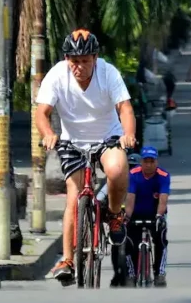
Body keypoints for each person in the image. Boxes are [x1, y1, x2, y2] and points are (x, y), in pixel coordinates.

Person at [36, 29, 138, 287]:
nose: (78, 66)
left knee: (117, 169)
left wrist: (128, 134)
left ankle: (114, 215)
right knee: (74, 195)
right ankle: (68, 260)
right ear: (66, 59)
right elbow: (42, 113)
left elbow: (125, 108)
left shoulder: (108, 73)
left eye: (84, 60)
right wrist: (48, 134)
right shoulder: (56, 75)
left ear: (95, 58)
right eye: (74, 60)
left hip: (108, 138)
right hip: (72, 142)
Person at [122, 146, 169, 287]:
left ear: (156, 162)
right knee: (129, 241)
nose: (149, 165)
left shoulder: (163, 175)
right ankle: (131, 273)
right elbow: (130, 198)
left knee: (161, 239)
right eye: (146, 161)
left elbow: (163, 199)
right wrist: (127, 217)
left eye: (152, 161)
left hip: (155, 213)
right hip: (136, 213)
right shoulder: (133, 174)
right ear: (141, 162)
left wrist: (159, 216)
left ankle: (159, 273)